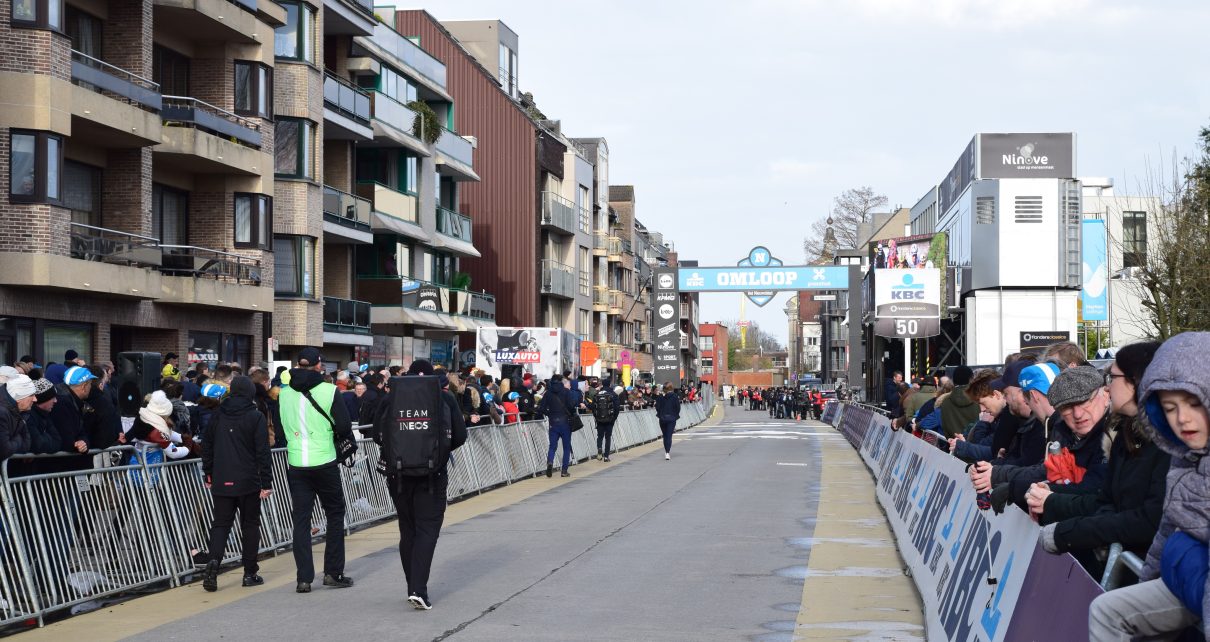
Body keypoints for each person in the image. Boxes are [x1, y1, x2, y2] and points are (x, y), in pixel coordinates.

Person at [1089, 333, 1210, 641]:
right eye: (1170, 408)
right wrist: (1146, 581)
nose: (1182, 418)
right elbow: (1167, 529)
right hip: (1184, 581)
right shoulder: (1183, 456)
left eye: (1194, 403)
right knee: (1106, 611)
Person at [1024, 341, 1167, 579]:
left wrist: (1065, 528)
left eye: (1112, 378)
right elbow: (1108, 501)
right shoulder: (1125, 436)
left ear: (1136, 380)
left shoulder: (1167, 441)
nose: (1109, 387)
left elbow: (1147, 519)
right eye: (1067, 409)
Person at [375, 359, 467, 610]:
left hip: (399, 475)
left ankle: (412, 585)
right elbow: (460, 435)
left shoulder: (392, 398)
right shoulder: (444, 398)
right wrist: (438, 453)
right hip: (432, 474)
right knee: (427, 530)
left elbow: (376, 433)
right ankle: (418, 588)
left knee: (408, 530)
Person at [276, 347, 355, 593]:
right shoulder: (329, 390)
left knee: (301, 519)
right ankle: (333, 572)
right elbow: (342, 425)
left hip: (297, 461)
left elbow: (280, 429)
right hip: (324, 460)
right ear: (319, 365)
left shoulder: (284, 394)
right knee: (334, 513)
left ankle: (304, 578)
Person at [201, 376, 272, 592]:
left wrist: (208, 473)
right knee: (250, 525)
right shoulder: (255, 416)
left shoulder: (217, 415)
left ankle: (213, 564)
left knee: (221, 524)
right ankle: (250, 573)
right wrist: (266, 482)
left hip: (222, 477)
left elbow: (208, 445)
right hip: (249, 479)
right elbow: (262, 451)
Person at [537, 374, 574, 478]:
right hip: (565, 422)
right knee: (566, 447)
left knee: (552, 446)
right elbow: (571, 406)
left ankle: (550, 461)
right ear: (560, 381)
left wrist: (550, 414)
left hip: (553, 422)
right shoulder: (566, 392)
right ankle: (564, 471)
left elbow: (542, 408)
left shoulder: (548, 393)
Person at [939, 366, 980, 439]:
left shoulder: (945, 402)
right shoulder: (980, 400)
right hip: (977, 446)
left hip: (954, 446)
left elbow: (945, 428)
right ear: (971, 379)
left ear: (953, 381)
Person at [0, 375, 34, 461]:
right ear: (19, 398)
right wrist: (19, 438)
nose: (35, 399)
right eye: (31, 395)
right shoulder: (2, 413)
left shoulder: (21, 411)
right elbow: (4, 450)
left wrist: (13, 441)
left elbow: (27, 444)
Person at [592, 383, 622, 461]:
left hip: (599, 420)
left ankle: (599, 448)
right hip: (609, 420)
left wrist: (596, 417)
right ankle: (606, 456)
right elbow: (617, 407)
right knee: (608, 437)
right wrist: (614, 418)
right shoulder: (613, 394)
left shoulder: (598, 394)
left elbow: (593, 407)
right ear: (609, 385)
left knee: (600, 436)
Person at [655, 382, 680, 460]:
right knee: (669, 435)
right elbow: (678, 407)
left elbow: (657, 407)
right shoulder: (675, 396)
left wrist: (660, 414)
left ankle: (666, 451)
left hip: (662, 418)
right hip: (672, 418)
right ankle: (667, 452)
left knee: (665, 435)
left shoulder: (660, 397)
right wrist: (675, 415)